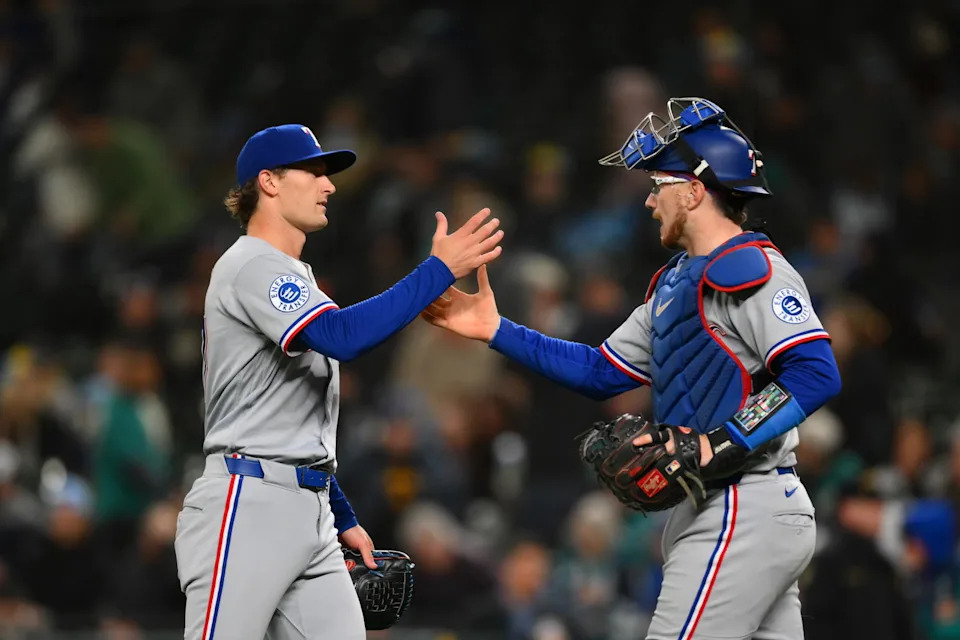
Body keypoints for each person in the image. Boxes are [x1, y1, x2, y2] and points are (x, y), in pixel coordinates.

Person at [422, 98, 842, 639]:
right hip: (727, 507)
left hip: (742, 504)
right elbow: (601, 372)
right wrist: (497, 330)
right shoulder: (676, 283)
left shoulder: (753, 268)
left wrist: (719, 442)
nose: (649, 201)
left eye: (658, 185)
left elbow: (814, 372)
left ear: (694, 191)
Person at [174, 123, 503, 640]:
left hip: (307, 508)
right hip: (246, 503)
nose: (328, 185)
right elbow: (344, 335)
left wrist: (339, 509)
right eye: (313, 171)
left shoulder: (293, 276)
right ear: (269, 182)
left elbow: (294, 420)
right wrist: (437, 269)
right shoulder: (249, 263)